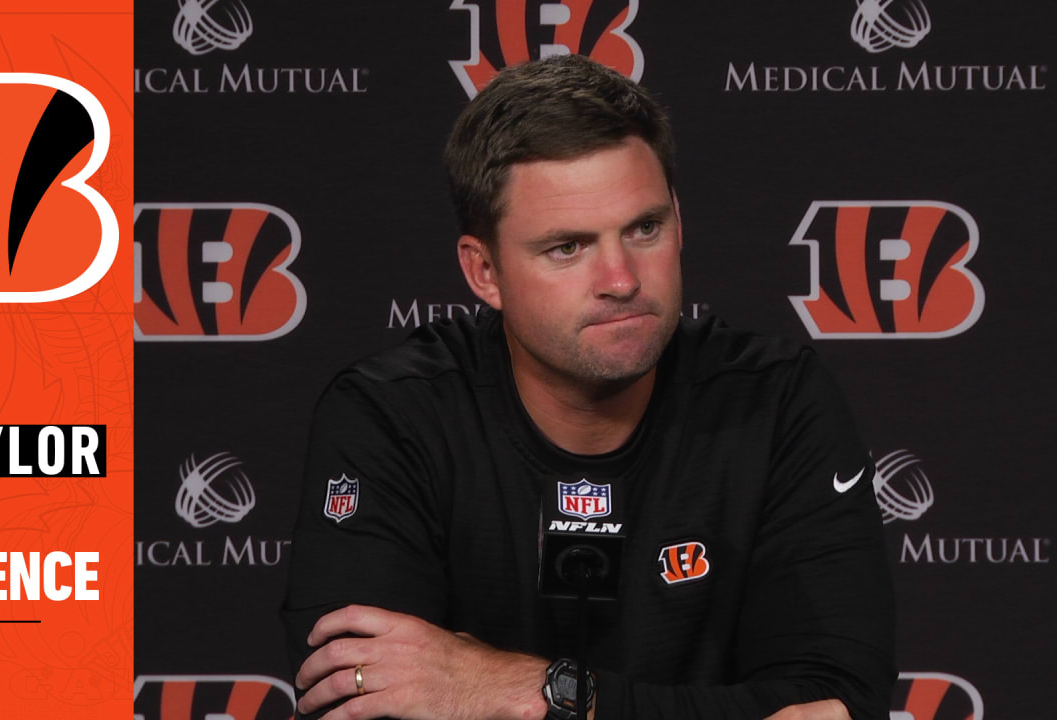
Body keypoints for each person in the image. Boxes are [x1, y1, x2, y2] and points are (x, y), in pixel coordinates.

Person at [281, 55, 895, 720]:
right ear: (483, 271)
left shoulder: (776, 403)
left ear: (679, 222)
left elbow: (836, 708)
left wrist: (514, 688)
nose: (622, 278)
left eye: (644, 229)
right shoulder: (391, 416)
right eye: (566, 247)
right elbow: (361, 701)